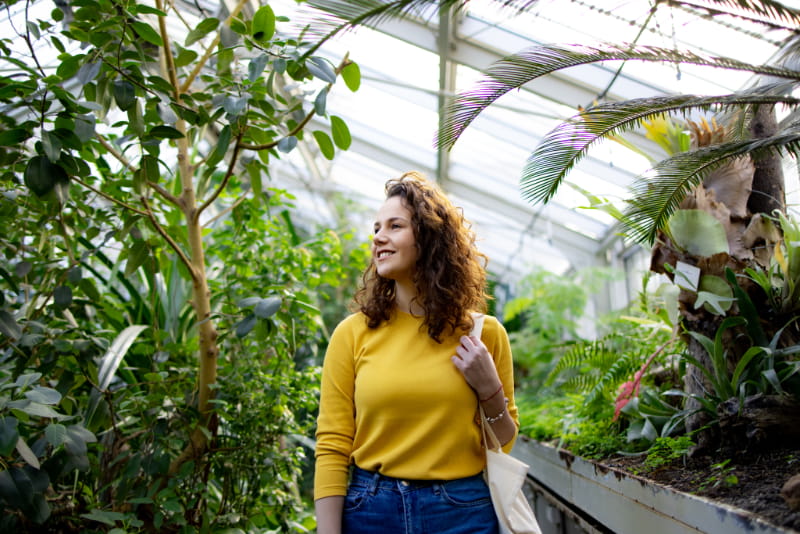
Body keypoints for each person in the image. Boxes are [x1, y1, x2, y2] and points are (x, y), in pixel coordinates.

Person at [314, 171, 519, 534]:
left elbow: (505, 440)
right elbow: (332, 444)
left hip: (462, 512)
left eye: (395, 226)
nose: (378, 237)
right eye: (376, 228)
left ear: (429, 237)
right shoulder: (352, 334)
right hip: (371, 511)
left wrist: (489, 390)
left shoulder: (483, 334)